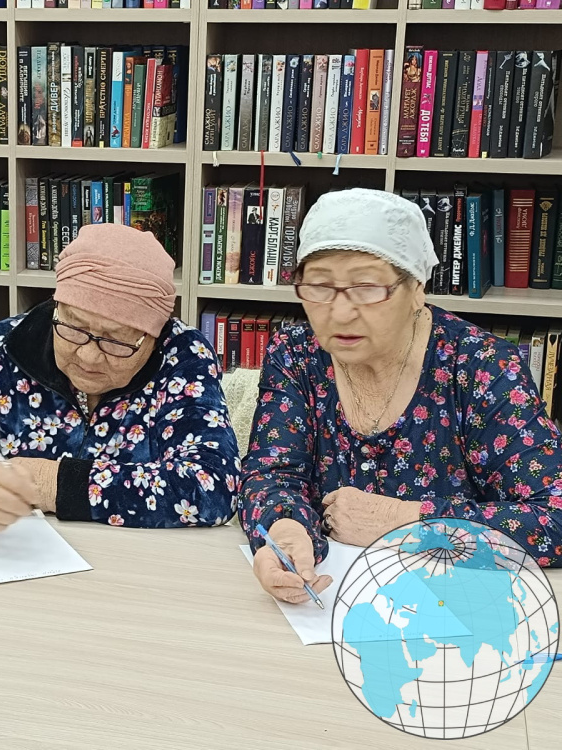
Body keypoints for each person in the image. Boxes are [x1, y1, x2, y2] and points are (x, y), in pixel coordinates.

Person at [239, 188, 562, 606]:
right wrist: (285, 532)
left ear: (417, 287)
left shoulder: (482, 367)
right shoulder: (297, 354)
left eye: (367, 286)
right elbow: (273, 474)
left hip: (456, 610)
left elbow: (553, 516)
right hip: (330, 607)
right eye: (319, 285)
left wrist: (407, 521)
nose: (340, 313)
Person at [0, 223, 240, 532]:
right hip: (11, 554)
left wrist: (52, 483)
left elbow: (213, 487)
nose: (88, 356)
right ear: (57, 307)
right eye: (74, 327)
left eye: (116, 340)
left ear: (154, 335)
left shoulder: (182, 358)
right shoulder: (4, 347)